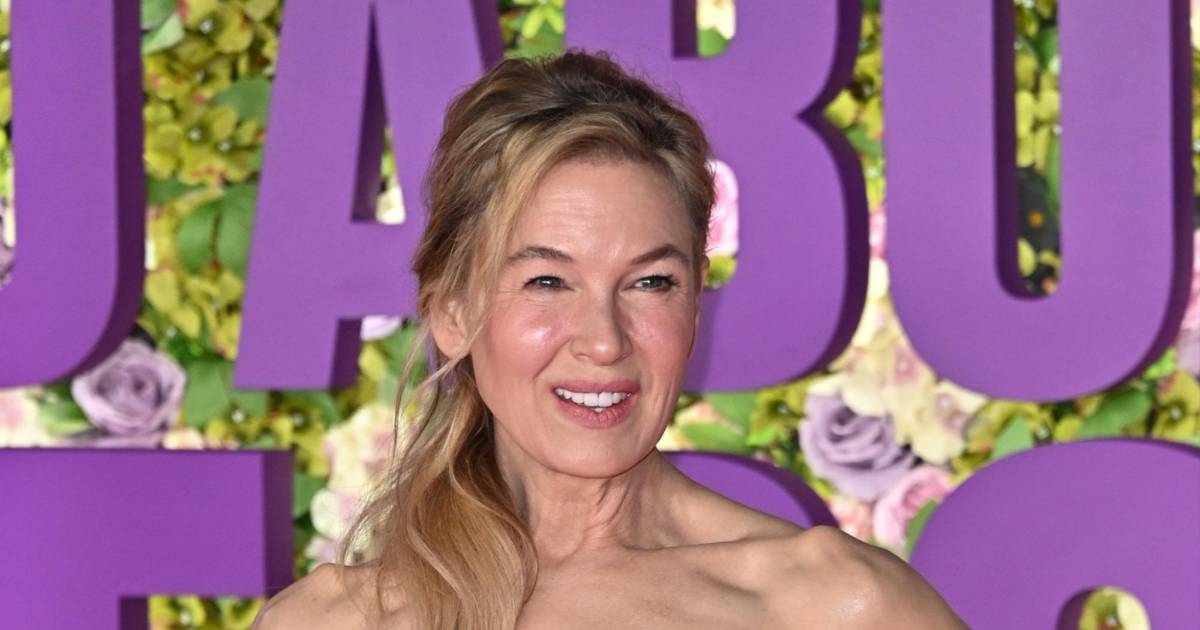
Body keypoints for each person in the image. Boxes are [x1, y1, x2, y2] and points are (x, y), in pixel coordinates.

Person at [252, 49, 967, 629]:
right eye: (547, 281)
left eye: (650, 282)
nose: (604, 342)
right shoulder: (330, 622)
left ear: (695, 302)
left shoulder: (834, 607)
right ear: (453, 313)